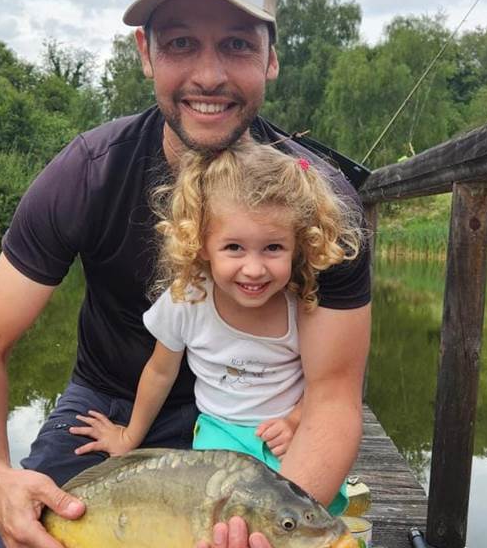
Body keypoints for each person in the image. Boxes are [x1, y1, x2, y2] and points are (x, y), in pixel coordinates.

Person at [0, 0, 372, 547]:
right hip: (111, 401)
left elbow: (334, 394)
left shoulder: (320, 203)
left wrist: (269, 524)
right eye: (181, 43)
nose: (209, 74)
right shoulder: (87, 173)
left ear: (271, 55)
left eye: (237, 44)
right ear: (146, 52)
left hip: (259, 417)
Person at [69, 141, 363, 516]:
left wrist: (295, 419)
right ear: (203, 244)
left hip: (285, 439)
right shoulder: (187, 301)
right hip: (216, 438)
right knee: (213, 521)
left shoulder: (302, 305)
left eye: (273, 247)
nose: (254, 269)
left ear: (298, 246)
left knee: (305, 522)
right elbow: (160, 372)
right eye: (234, 248)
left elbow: (323, 383)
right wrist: (129, 437)